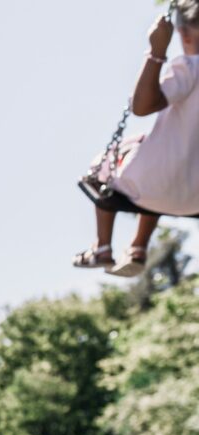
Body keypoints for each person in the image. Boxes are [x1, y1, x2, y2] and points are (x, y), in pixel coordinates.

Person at [73, 2, 199, 277]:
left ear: (185, 35)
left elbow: (141, 107)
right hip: (195, 197)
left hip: (150, 185)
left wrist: (156, 52)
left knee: (113, 159)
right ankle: (138, 247)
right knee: (155, 152)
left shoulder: (191, 68)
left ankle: (102, 246)